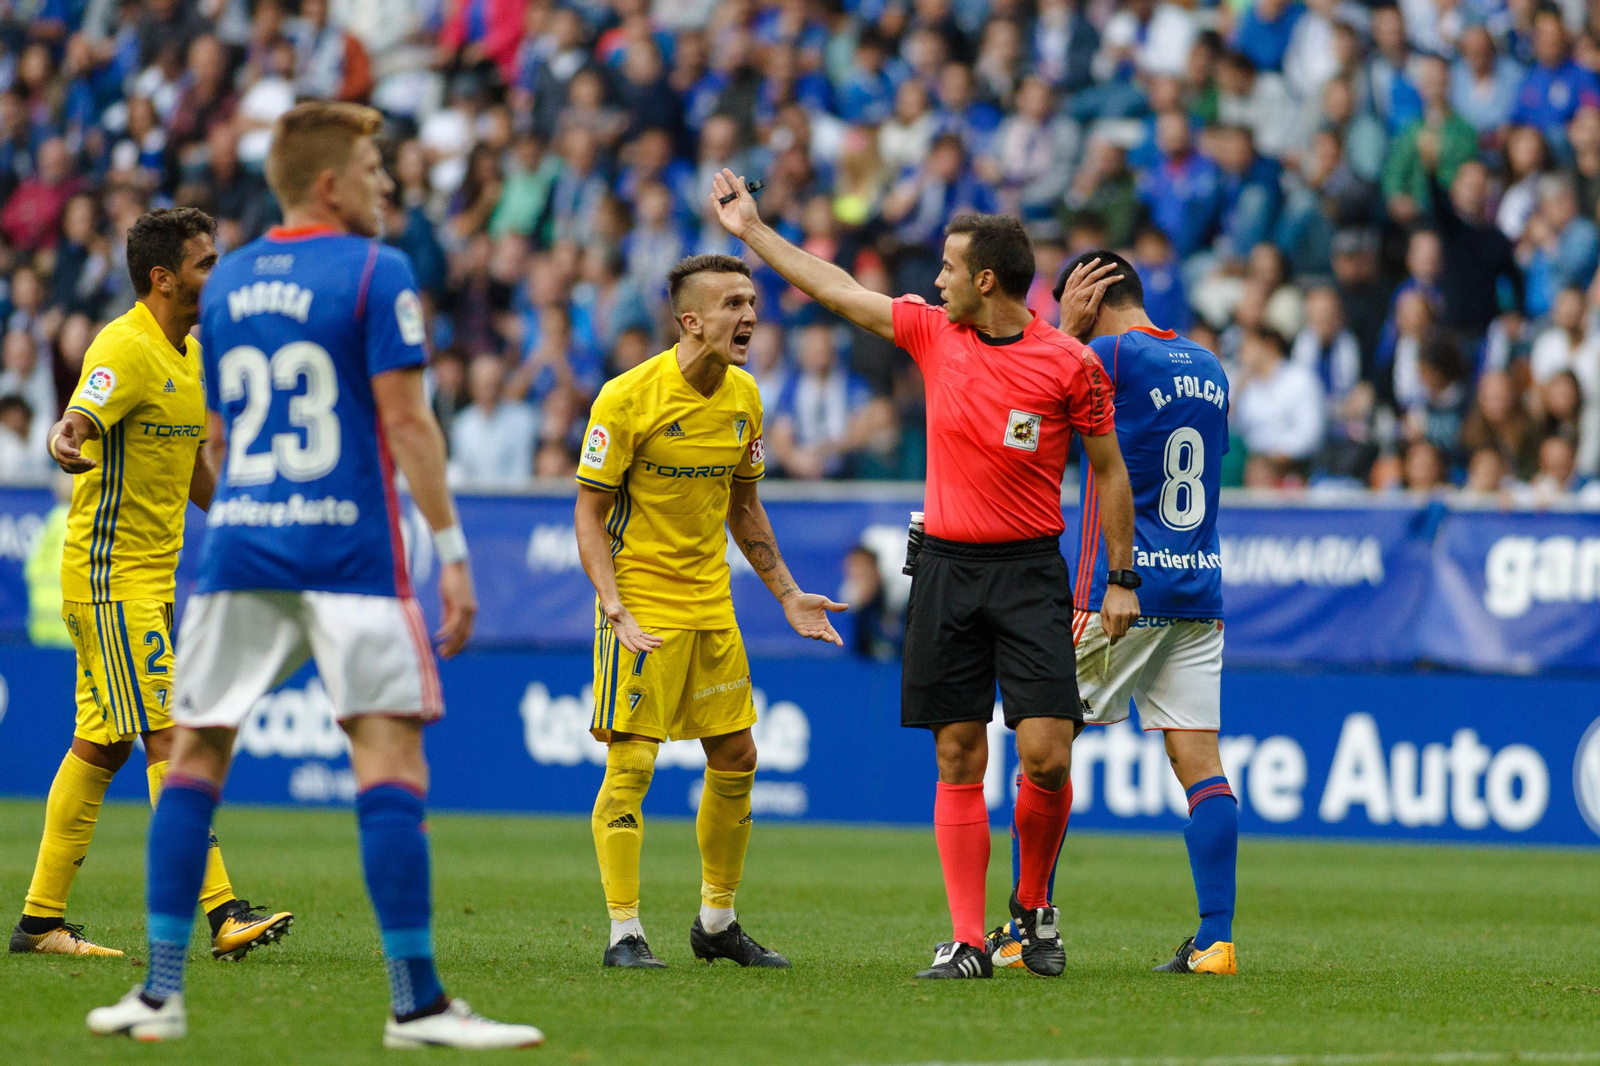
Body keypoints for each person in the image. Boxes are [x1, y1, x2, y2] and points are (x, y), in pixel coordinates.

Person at [86, 103, 541, 1049]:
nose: (388, 185)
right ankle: (415, 1005)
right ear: (330, 184)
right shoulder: (380, 269)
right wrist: (454, 556)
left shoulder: (234, 280)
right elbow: (409, 424)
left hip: (242, 551)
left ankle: (159, 993)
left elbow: (218, 433)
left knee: (194, 758)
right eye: (375, 170)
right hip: (350, 556)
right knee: (388, 763)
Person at [710, 170, 1139, 980]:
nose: (932, 281)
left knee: (1047, 752)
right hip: (945, 567)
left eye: (947, 268)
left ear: (985, 280)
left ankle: (1034, 909)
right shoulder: (932, 332)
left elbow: (1109, 472)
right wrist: (753, 234)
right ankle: (970, 940)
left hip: (1029, 573)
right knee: (957, 753)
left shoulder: (1069, 364)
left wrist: (1123, 575)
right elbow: (837, 289)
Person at [11, 209, 291, 963]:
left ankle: (40, 923)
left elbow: (195, 468)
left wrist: (241, 519)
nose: (217, 274)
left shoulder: (192, 355)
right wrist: (64, 436)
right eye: (205, 264)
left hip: (151, 579)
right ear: (164, 278)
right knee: (171, 731)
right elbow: (77, 418)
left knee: (99, 746)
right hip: (109, 581)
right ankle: (222, 911)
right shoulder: (124, 346)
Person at [573, 253, 845, 969]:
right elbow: (589, 513)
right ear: (690, 320)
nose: (750, 316)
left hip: (710, 603)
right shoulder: (625, 399)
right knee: (632, 763)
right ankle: (624, 934)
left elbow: (744, 504)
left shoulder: (745, 399)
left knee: (737, 755)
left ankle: (716, 923)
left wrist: (787, 593)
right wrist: (613, 606)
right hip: (642, 604)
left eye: (752, 302)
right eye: (732, 303)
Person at [989, 251, 1238, 977]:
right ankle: (1215, 940)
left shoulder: (1104, 354)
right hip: (1199, 588)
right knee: (1200, 763)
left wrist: (1060, 332)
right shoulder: (1210, 364)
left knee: (1042, 746)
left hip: (1119, 593)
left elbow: (1025, 413)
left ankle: (1025, 923)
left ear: (1090, 297)